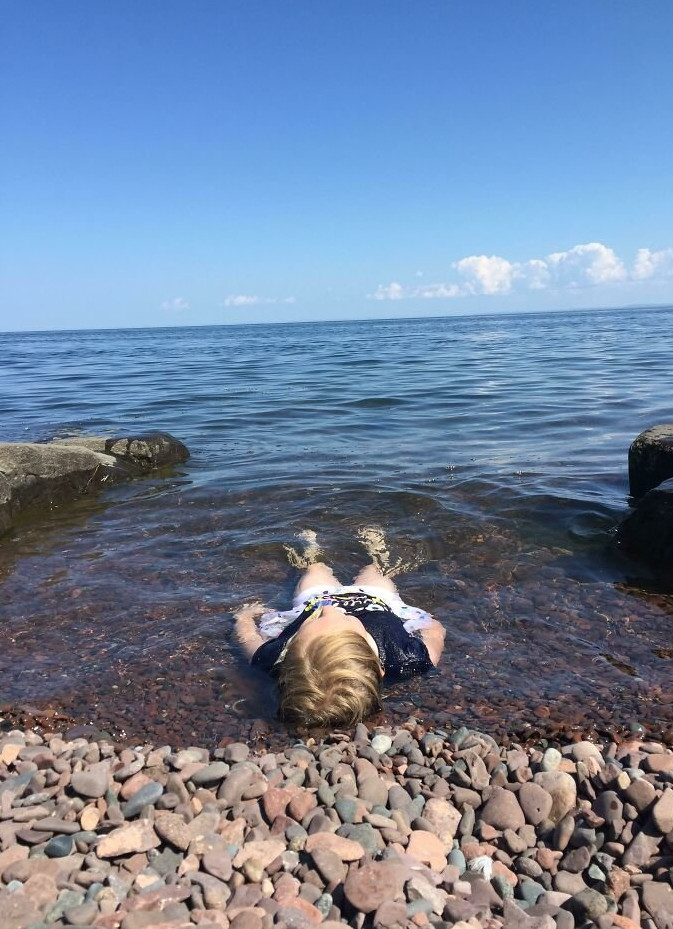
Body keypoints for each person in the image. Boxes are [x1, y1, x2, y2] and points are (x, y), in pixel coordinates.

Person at [234, 528, 445, 728]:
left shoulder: (277, 659)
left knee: (314, 571)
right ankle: (376, 549)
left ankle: (311, 550)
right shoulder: (406, 658)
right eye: (346, 619)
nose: (330, 609)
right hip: (374, 599)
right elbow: (435, 634)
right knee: (376, 572)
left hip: (317, 598)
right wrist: (429, 624)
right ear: (379, 669)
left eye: (313, 621)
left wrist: (244, 617)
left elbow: (249, 638)